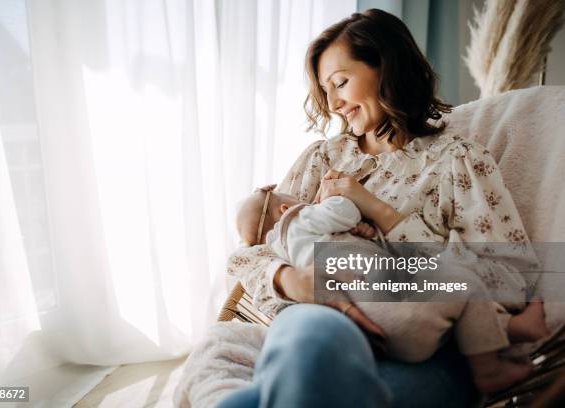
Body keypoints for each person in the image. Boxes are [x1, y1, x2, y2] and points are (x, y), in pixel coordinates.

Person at [215, 8, 545, 407]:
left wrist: (383, 214)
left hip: (425, 346)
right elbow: (247, 252)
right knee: (314, 347)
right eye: (325, 90)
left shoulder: (457, 161)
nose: (333, 103)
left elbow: (509, 280)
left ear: (386, 69)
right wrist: (290, 280)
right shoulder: (322, 158)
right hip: (319, 323)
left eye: (340, 83)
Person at [234, 181, 547, 393]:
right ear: (281, 209)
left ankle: (511, 327)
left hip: (364, 329)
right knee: (459, 281)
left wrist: (367, 234)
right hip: (392, 315)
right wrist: (340, 200)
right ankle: (489, 366)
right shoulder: (302, 215)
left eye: (341, 83)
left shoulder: (286, 247)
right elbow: (343, 212)